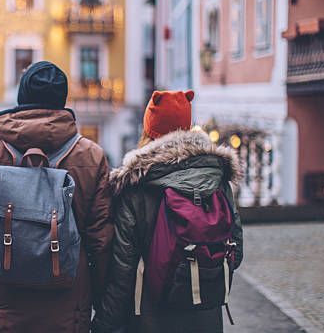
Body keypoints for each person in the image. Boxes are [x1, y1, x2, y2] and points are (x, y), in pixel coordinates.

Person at [0, 61, 113, 332]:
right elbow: (101, 242)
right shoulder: (91, 155)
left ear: (22, 98)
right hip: (68, 308)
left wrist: (1, 248)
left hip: (2, 308)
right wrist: (102, 302)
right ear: (62, 100)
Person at [92, 90, 244, 333]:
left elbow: (122, 270)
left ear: (149, 129)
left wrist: (105, 325)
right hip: (205, 315)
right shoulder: (217, 179)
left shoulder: (137, 187)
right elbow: (236, 248)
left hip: (151, 317)